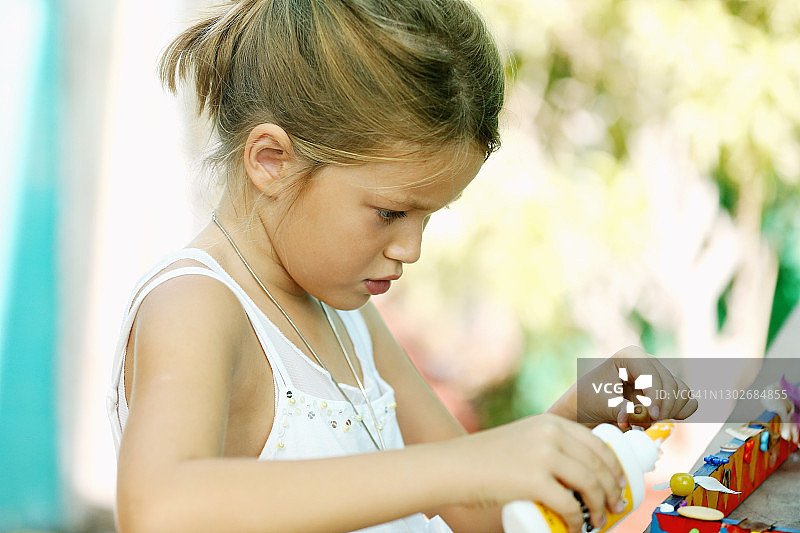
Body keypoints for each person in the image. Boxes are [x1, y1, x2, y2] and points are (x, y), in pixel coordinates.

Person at [107, 1, 697, 532]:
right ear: (271, 160)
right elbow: (158, 510)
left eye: (429, 217)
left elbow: (477, 510)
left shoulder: (348, 320)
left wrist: (576, 419)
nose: (410, 249)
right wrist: (461, 467)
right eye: (391, 211)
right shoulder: (196, 305)